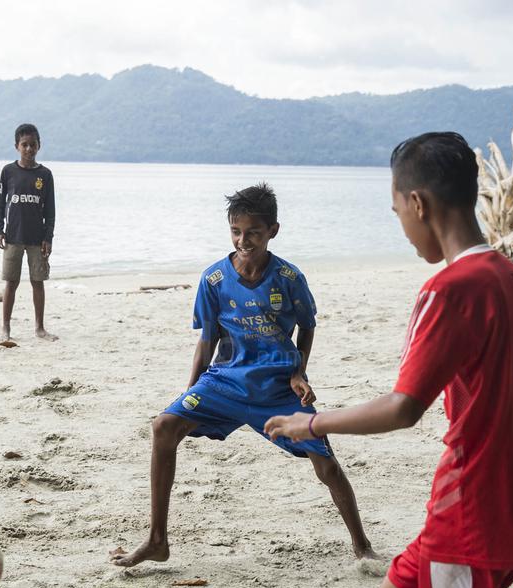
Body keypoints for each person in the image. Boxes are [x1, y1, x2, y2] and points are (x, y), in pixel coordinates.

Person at [264, 133, 513, 588]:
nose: (401, 225)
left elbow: (405, 407)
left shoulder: (450, 288)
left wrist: (313, 424)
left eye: (398, 209)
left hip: (469, 508)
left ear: (420, 204)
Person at [112, 183, 375, 567]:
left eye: (253, 232)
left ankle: (362, 545)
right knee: (164, 426)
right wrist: (191, 391)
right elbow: (207, 338)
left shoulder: (288, 277)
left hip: (276, 387)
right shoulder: (214, 279)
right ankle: (156, 541)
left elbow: (308, 326)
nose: (243, 240)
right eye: (236, 231)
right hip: (224, 383)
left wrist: (299, 371)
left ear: (273, 230)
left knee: (327, 465)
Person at [0, 123, 57, 342]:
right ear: (16, 146)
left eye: (33, 145)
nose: (29, 149)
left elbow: (50, 210)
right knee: (11, 282)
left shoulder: (45, 175)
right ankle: (5, 328)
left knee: (37, 282)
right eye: (24, 145)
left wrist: (48, 238)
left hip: (36, 240)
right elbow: (0, 203)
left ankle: (40, 328)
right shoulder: (8, 172)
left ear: (39, 146)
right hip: (13, 237)